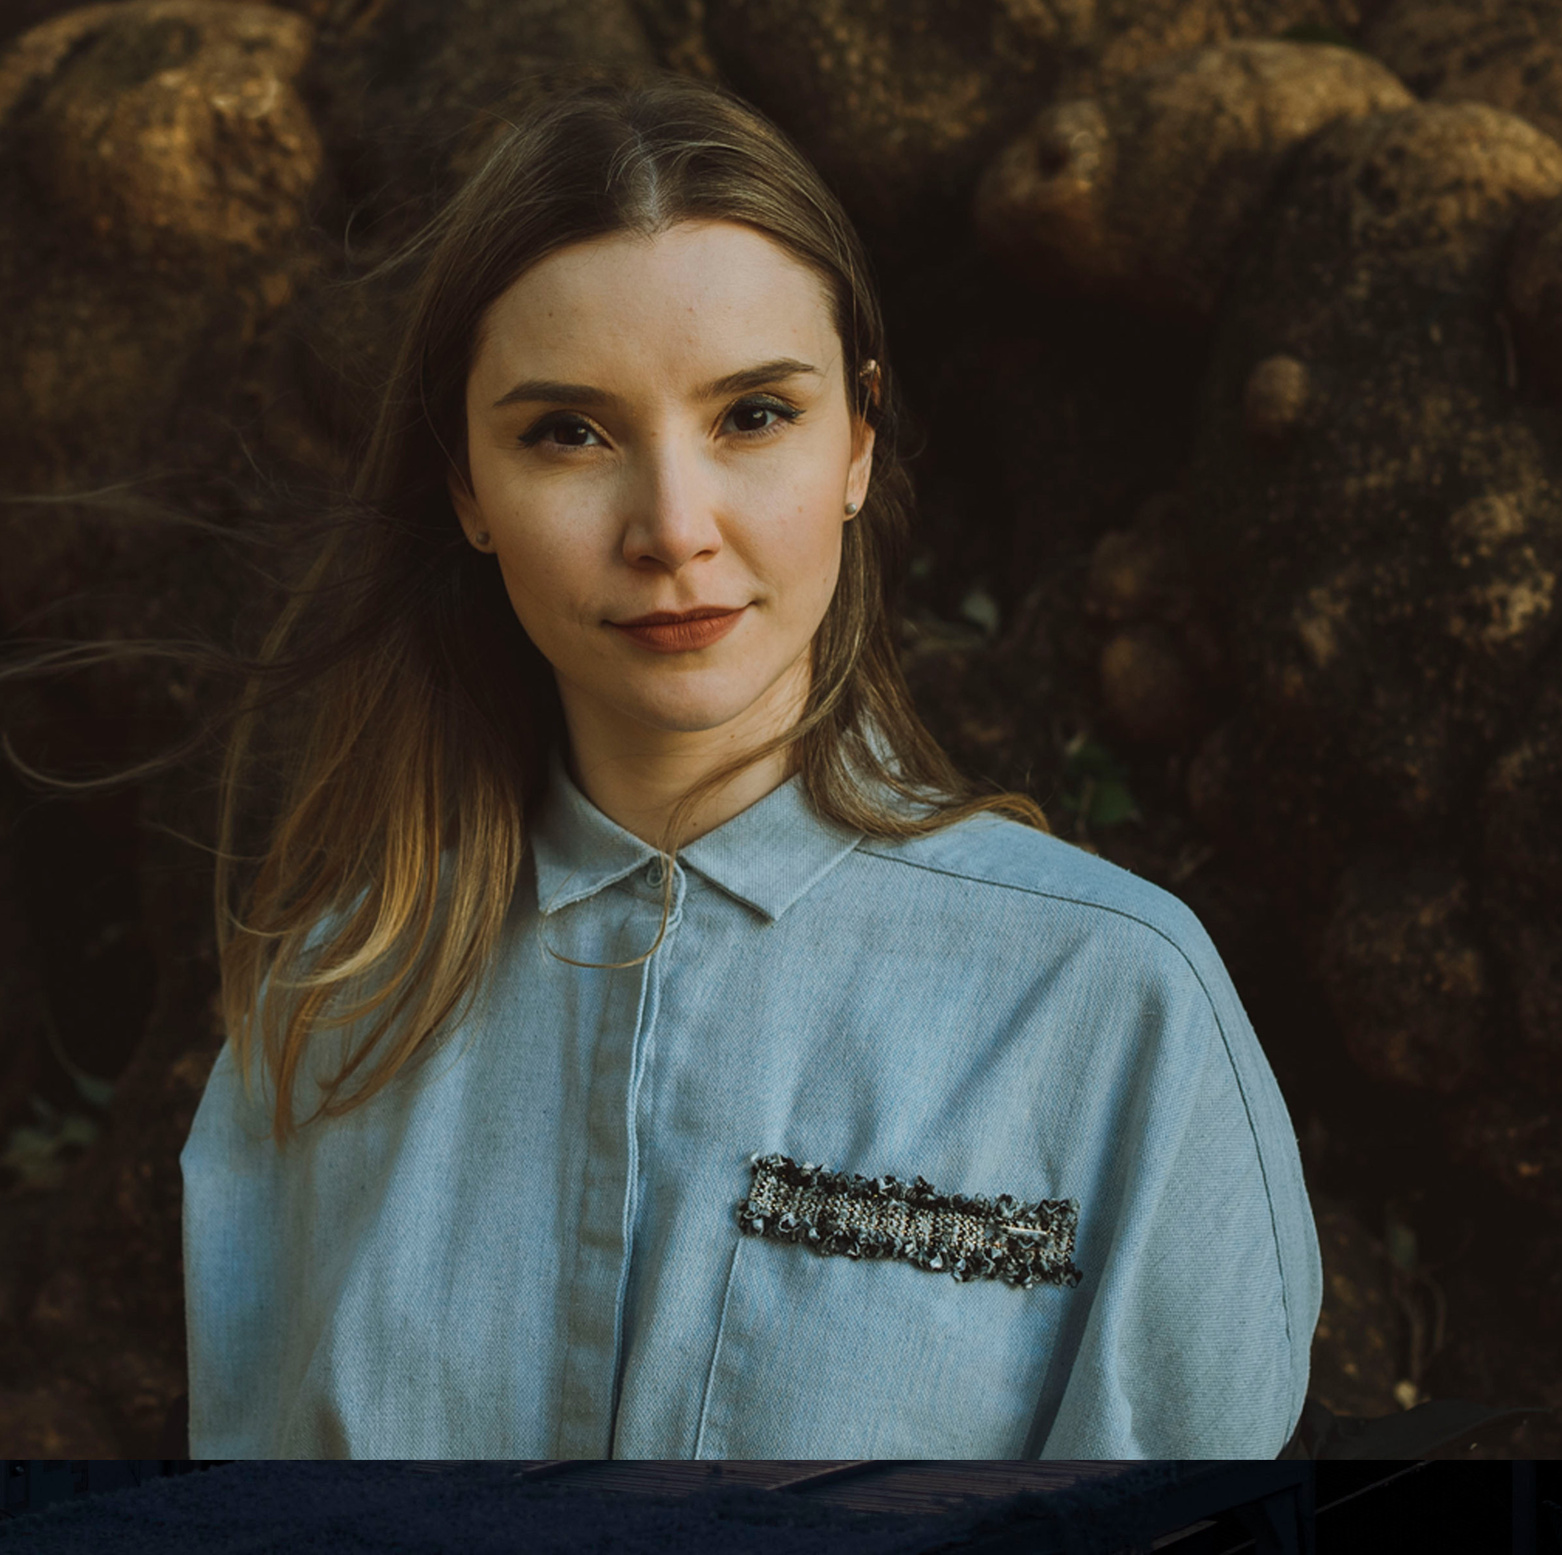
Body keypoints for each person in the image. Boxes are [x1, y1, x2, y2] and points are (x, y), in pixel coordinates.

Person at [180, 74, 1319, 1459]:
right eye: (567, 432)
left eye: (754, 415)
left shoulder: (1114, 1007)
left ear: (859, 440)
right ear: (467, 487)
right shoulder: (327, 1016)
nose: (673, 526)